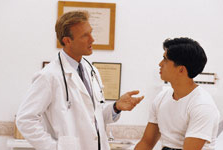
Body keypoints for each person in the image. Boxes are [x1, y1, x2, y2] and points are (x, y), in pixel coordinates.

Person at [16, 11, 144, 150]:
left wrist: (116, 107)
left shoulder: (91, 71)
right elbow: (25, 119)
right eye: (85, 35)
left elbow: (95, 116)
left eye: (91, 32)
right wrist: (54, 147)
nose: (92, 39)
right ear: (67, 41)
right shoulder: (49, 76)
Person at [135, 37, 220, 150]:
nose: (160, 64)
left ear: (181, 70)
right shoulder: (161, 98)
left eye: (165, 59)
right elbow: (146, 143)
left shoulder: (202, 105)